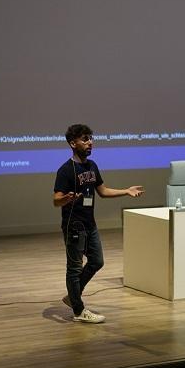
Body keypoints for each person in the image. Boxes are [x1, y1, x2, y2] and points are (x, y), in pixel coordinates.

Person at [53, 124, 143, 323]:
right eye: (85, 139)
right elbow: (55, 200)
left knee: (97, 261)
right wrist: (66, 198)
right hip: (73, 225)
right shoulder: (66, 170)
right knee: (74, 267)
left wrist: (125, 191)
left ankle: (73, 296)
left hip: (90, 224)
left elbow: (102, 191)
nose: (90, 142)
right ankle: (78, 310)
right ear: (72, 143)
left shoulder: (92, 166)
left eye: (91, 138)